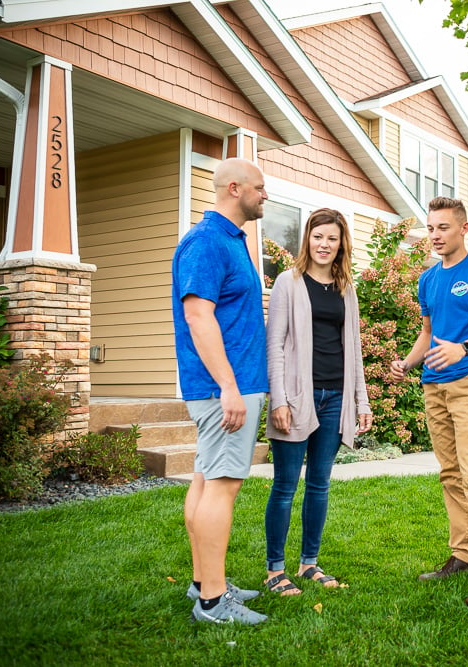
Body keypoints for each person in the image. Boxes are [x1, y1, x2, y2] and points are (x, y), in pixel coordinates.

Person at [389, 196, 468, 606]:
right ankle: (462, 555)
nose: (435, 235)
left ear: (464, 228)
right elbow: (427, 332)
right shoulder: (427, 279)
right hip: (433, 384)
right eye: (431, 228)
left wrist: (464, 347)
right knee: (450, 473)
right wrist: (407, 363)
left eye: (443, 227)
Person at [171, 157, 270, 625]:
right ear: (235, 188)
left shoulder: (232, 241)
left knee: (206, 481)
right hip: (225, 388)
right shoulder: (207, 241)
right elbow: (198, 315)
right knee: (223, 488)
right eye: (260, 188)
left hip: (231, 384)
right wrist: (229, 386)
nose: (265, 195)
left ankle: (202, 580)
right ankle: (212, 601)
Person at [263, 208, 373, 597]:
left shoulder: (346, 287)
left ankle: (308, 563)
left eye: (332, 238)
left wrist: (361, 401)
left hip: (335, 397)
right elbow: (274, 345)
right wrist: (279, 398)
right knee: (285, 485)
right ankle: (274, 569)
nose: (324, 245)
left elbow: (354, 350)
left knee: (319, 484)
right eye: (318, 236)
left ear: (342, 244)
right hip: (295, 397)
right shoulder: (287, 283)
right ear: (307, 238)